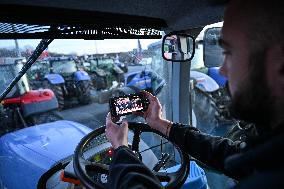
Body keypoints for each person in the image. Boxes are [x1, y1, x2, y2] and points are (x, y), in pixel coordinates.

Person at [105, 0, 284, 188]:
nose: (222, 70)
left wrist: (121, 149)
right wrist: (162, 124)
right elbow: (229, 155)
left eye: (229, 52)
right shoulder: (271, 156)